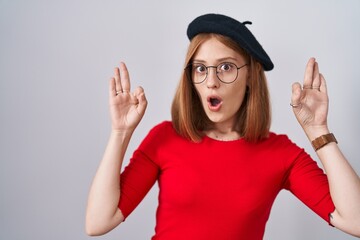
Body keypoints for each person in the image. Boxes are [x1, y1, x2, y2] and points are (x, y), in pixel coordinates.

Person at [85, 13, 360, 239]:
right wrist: (120, 133)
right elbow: (98, 222)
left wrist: (318, 131)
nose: (211, 81)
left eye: (226, 67)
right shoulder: (164, 138)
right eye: (201, 68)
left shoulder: (282, 154)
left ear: (250, 75)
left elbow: (355, 221)